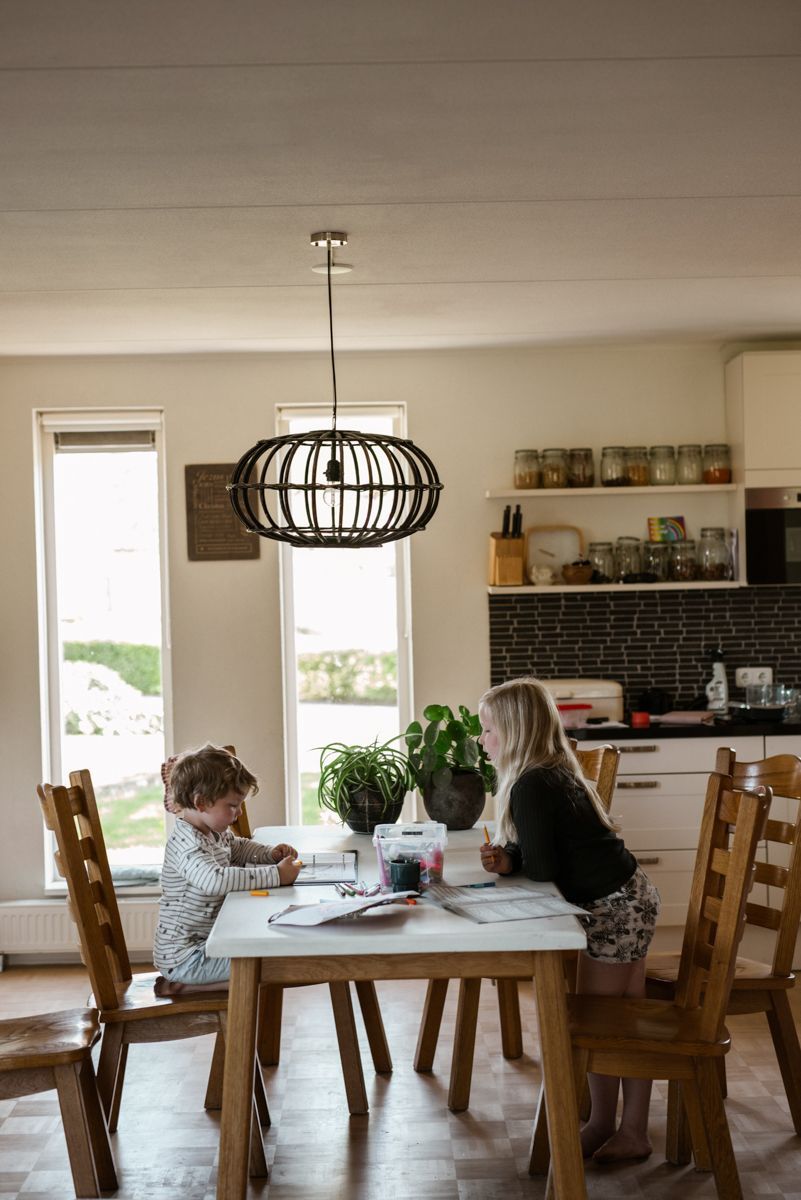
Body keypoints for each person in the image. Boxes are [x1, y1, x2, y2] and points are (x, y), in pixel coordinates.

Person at [477, 678, 660, 1164]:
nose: (482, 741)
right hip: (628, 896)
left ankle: (619, 1127)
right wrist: (511, 858)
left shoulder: (534, 784)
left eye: (488, 730)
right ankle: (616, 1124)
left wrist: (516, 859)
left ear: (513, 732)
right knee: (625, 1017)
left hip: (615, 908)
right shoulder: (551, 770)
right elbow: (544, 856)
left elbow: (544, 869)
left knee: (598, 1025)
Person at [153, 743, 300, 994]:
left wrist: (270, 854)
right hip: (187, 958)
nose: (238, 812)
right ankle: (182, 986)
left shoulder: (212, 832)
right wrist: (276, 875)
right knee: (267, 966)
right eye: (232, 806)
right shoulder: (187, 844)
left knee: (266, 961)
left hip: (209, 944)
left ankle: (193, 984)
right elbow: (215, 880)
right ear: (201, 803)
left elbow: (238, 848)